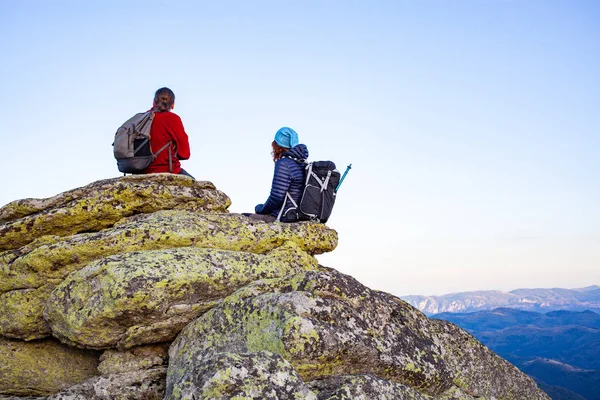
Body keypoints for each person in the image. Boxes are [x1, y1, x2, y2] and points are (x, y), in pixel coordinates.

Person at [247, 127, 308, 223]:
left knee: (242, 218)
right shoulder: (303, 164)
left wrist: (260, 209)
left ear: (278, 146)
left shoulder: (284, 163)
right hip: (298, 214)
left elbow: (277, 196)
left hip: (284, 216)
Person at [144, 87, 194, 178]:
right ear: (173, 105)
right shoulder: (173, 119)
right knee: (197, 188)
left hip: (140, 169)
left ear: (153, 102)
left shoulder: (141, 119)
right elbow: (185, 154)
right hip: (167, 170)